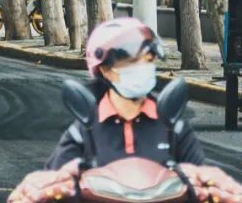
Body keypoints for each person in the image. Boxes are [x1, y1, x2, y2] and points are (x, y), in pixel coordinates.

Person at [47, 18, 204, 169]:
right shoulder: (84, 132)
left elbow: (203, 179)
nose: (143, 68)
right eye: (133, 62)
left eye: (148, 60)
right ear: (105, 70)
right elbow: (53, 180)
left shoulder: (173, 127)